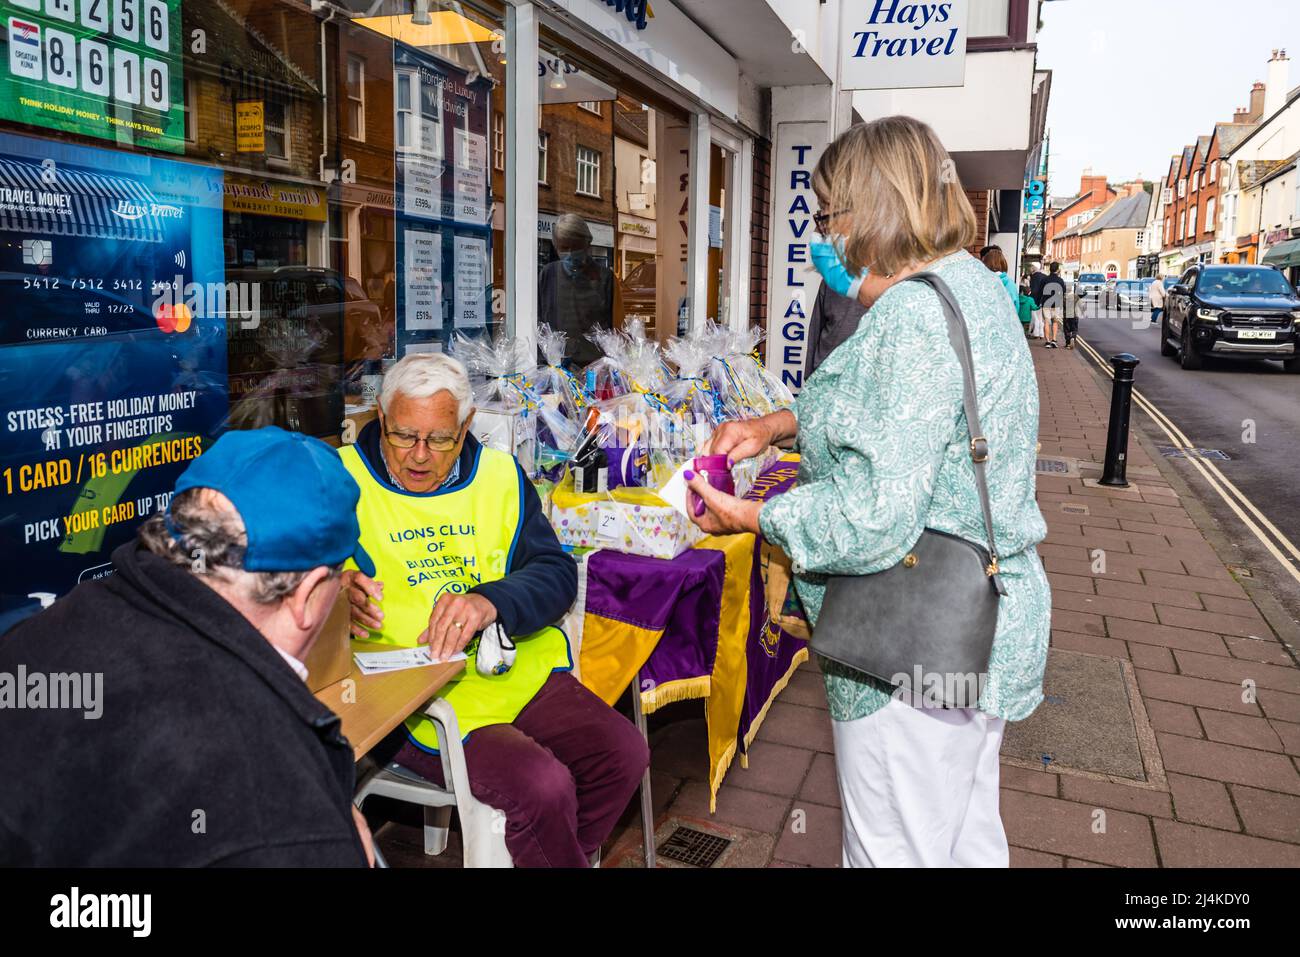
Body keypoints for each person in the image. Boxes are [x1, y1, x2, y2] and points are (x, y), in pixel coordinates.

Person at [682, 116, 1050, 868]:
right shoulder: (971, 285)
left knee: (893, 849)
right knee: (964, 837)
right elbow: (912, 422)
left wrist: (755, 515)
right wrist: (778, 425)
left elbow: (872, 514)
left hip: (911, 638)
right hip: (976, 622)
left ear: (873, 210)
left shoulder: (913, 315)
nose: (823, 231)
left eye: (830, 212)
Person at [0, 427, 376, 866]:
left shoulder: (49, 628)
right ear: (308, 593)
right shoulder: (277, 817)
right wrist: (312, 817)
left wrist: (314, 784)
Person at [341, 352, 649, 867]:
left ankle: (556, 854)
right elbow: (281, 585)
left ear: (464, 428)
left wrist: (491, 601)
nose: (419, 455)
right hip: (407, 701)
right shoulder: (340, 481)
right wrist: (334, 591)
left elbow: (555, 575)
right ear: (380, 418)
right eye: (402, 436)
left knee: (623, 755)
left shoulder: (500, 476)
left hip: (512, 671)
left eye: (439, 439)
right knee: (542, 786)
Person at [538, 213, 620, 367]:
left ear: (587, 245)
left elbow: (617, 328)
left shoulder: (605, 278)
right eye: (564, 248)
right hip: (557, 366)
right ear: (556, 248)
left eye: (575, 247)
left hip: (595, 367)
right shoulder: (548, 275)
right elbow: (539, 321)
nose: (569, 253)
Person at [805, 271, 868, 378]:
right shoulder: (831, 278)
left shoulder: (888, 281)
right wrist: (808, 374)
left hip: (862, 373)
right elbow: (816, 326)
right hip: (826, 370)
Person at [1039, 261, 1067, 348]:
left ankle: (1047, 341)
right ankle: (1054, 340)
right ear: (1057, 269)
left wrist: (1038, 302)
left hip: (1046, 303)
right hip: (1056, 303)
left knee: (1047, 322)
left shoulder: (1044, 279)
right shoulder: (1060, 280)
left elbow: (1040, 291)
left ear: (1050, 269)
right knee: (1055, 322)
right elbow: (1063, 292)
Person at [1027, 261, 1046, 339]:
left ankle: (1036, 333)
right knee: (1040, 317)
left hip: (1034, 299)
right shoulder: (1044, 276)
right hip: (1042, 299)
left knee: (1035, 317)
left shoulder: (1033, 277)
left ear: (1033, 269)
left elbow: (1033, 289)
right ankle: (1041, 334)